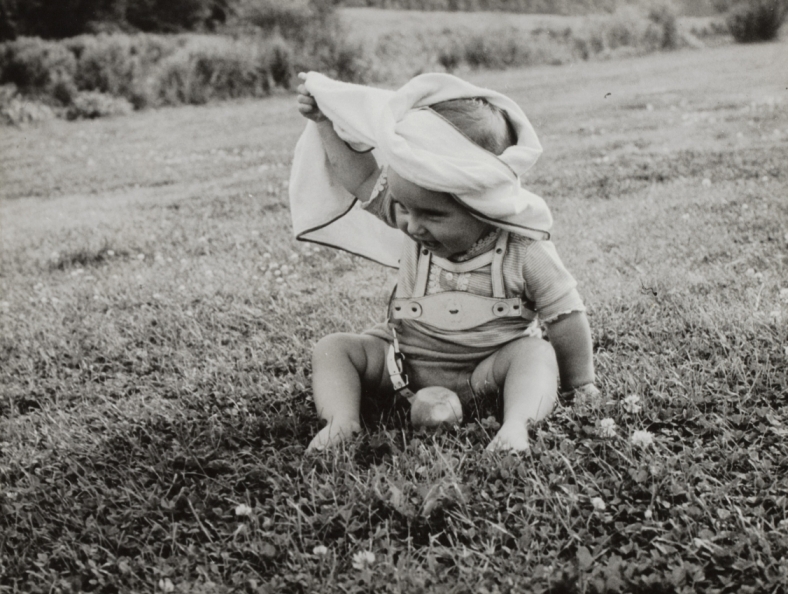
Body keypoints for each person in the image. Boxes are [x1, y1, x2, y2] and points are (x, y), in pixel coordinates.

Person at [290, 71, 597, 452]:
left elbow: (565, 316)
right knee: (333, 348)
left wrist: (580, 384)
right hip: (401, 365)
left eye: (433, 216)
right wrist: (324, 123)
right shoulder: (411, 215)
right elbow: (363, 177)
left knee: (535, 354)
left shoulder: (524, 250)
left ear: (482, 205)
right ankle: (342, 421)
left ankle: (516, 425)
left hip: (485, 373)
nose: (411, 225)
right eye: (402, 207)